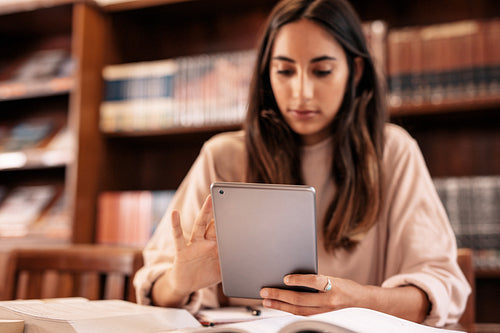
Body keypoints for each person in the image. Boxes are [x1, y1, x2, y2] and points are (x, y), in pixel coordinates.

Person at [133, 0, 470, 327]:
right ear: (267, 73)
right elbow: (155, 291)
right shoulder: (222, 156)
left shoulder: (392, 151)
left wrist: (358, 299)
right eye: (284, 71)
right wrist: (179, 281)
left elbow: (438, 292)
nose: (302, 92)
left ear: (355, 71)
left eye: (322, 71)